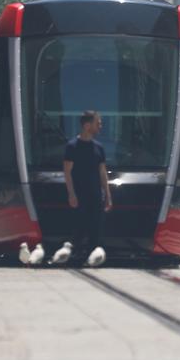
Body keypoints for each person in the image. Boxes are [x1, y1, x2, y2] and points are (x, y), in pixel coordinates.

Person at [63, 110, 112, 265]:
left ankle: (92, 260)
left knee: (95, 229)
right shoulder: (72, 146)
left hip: (96, 195)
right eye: (98, 123)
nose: (100, 126)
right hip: (79, 195)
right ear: (86, 125)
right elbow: (67, 172)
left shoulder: (99, 148)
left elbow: (102, 172)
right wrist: (71, 194)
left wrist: (108, 195)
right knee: (78, 228)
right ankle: (75, 259)